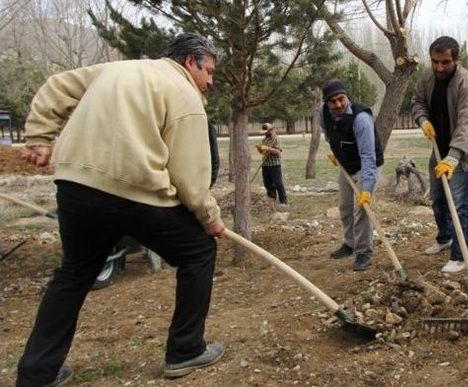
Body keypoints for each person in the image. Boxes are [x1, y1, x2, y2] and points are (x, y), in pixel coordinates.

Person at [17, 33, 227, 386]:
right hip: (133, 192)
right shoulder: (185, 93)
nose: (210, 82)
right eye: (209, 71)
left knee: (74, 273)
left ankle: (37, 373)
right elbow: (191, 178)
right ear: (191, 62)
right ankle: (186, 350)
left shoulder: (118, 69)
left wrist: (39, 137)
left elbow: (57, 86)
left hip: (75, 186)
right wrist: (211, 219)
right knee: (199, 251)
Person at [411, 36, 468, 274]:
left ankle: (459, 255)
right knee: (438, 199)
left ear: (456, 60)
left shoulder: (466, 84)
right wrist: (422, 121)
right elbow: (418, 101)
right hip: (438, 147)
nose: (439, 67)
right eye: (435, 61)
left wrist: (453, 158)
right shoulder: (427, 76)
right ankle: (445, 238)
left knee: (460, 205)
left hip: (461, 153)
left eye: (445, 62)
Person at [321, 79, 384, 271]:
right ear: (326, 103)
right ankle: (350, 244)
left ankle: (363, 252)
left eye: (341, 99)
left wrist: (366, 188)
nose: (338, 105)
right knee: (345, 207)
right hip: (345, 166)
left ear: (347, 96)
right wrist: (334, 150)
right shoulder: (322, 112)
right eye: (333, 102)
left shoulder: (361, 119)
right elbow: (327, 131)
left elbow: (368, 156)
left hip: (366, 166)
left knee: (362, 210)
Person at [256, 123, 287, 210]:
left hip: (275, 164)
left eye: (266, 132)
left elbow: (278, 152)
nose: (265, 134)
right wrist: (260, 149)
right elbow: (263, 153)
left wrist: (268, 148)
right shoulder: (264, 140)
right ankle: (271, 199)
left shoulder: (276, 139)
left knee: (278, 183)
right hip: (266, 164)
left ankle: (283, 201)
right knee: (267, 183)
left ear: (270, 130)